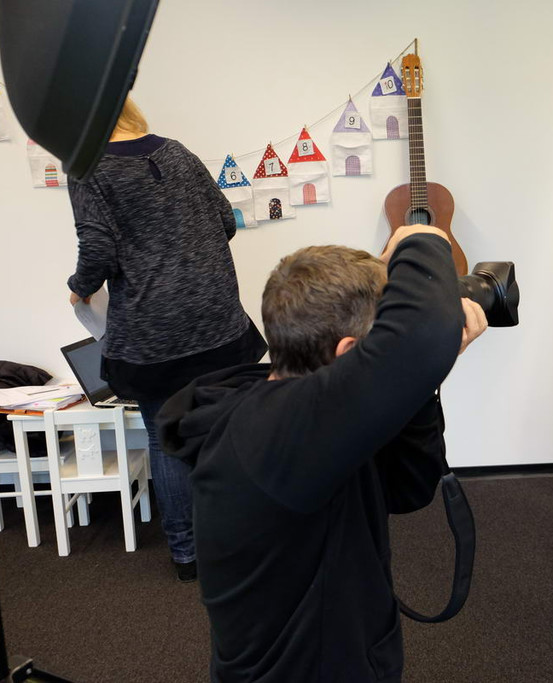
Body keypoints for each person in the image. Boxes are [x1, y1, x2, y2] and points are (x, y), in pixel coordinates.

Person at [155, 226, 487, 682]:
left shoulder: (311, 416)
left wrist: (415, 389)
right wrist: (424, 236)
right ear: (348, 353)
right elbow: (422, 335)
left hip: (349, 646)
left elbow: (406, 490)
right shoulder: (269, 435)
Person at [66, 98, 266, 582]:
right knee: (224, 429)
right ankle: (241, 541)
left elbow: (98, 249)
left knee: (166, 437)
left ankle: (187, 554)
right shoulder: (177, 151)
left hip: (154, 332)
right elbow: (225, 221)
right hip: (218, 317)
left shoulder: (88, 169)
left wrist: (79, 287)